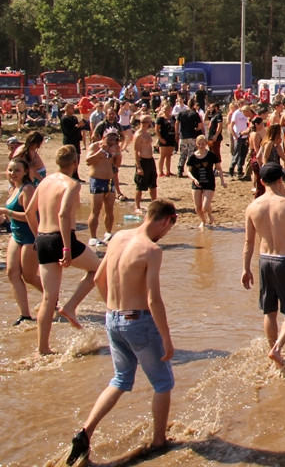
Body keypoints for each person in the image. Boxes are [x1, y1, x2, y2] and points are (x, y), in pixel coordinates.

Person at [64, 200, 178, 467]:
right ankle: (159, 441)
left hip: (113, 318)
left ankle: (85, 433)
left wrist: (113, 308)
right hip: (138, 320)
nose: (166, 233)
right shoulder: (152, 250)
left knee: (120, 379)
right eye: (169, 228)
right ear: (165, 221)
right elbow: (153, 300)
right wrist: (166, 337)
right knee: (163, 383)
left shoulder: (118, 237)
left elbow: (97, 278)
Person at [25, 145, 102, 355]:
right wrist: (67, 248)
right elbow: (63, 214)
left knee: (48, 298)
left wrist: (36, 236)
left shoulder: (45, 181)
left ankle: (43, 349)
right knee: (98, 269)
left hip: (42, 238)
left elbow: (29, 212)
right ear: (75, 163)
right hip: (61, 239)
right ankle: (70, 307)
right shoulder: (72, 184)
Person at [241, 163, 285, 369]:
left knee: (269, 311)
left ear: (261, 182)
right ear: (281, 180)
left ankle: (275, 357)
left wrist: (245, 268)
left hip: (264, 260)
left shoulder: (252, 207)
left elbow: (248, 242)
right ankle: (278, 348)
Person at [3, 157, 41, 326]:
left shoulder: (28, 189)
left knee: (30, 276)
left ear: (25, 172)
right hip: (16, 235)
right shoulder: (13, 188)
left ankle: (52, 297)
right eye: (10, 170)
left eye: (17, 170)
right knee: (11, 273)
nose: (13, 174)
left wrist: (6, 212)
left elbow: (29, 215)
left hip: (30, 236)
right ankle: (24, 315)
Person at [86, 129, 123, 247]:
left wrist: (117, 153)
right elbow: (88, 161)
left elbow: (117, 165)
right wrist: (101, 151)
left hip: (109, 181)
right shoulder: (95, 146)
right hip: (97, 180)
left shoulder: (115, 148)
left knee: (109, 209)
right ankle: (93, 237)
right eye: (110, 138)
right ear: (104, 138)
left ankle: (108, 233)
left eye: (114, 139)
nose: (112, 141)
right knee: (95, 210)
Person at [186, 135, 223, 229]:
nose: (201, 146)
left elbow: (219, 168)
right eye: (199, 144)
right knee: (198, 208)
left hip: (209, 182)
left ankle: (209, 214)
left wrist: (222, 181)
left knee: (205, 206)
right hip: (197, 183)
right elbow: (188, 171)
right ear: (196, 144)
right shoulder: (192, 157)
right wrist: (193, 179)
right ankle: (203, 221)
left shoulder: (211, 155)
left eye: (203, 144)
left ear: (206, 144)